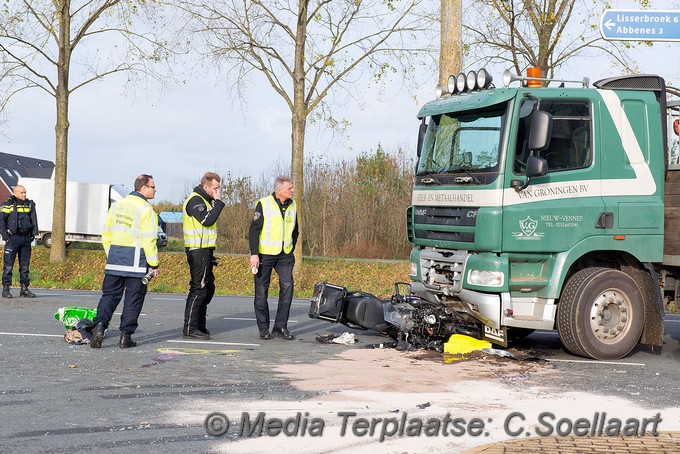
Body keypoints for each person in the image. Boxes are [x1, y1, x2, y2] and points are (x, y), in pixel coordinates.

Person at [90, 175, 160, 349]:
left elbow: (106, 234)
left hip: (114, 260)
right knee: (133, 298)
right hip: (136, 263)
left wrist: (112, 254)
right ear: (143, 188)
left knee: (109, 296)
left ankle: (99, 327)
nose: (155, 189)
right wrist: (154, 264)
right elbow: (149, 239)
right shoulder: (146, 209)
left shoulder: (117, 206)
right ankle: (125, 337)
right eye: (153, 186)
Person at [249, 175, 298, 340]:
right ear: (279, 190)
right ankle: (263, 328)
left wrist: (291, 249)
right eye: (289, 188)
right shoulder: (263, 204)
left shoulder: (293, 205)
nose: (292, 190)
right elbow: (254, 230)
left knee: (288, 287)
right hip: (265, 254)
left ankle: (280, 326)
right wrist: (254, 254)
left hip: (285, 255)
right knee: (262, 291)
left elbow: (295, 230)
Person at [182, 172, 225, 340]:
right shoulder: (195, 200)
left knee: (208, 289)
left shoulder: (206, 201)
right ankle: (190, 328)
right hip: (197, 249)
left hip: (205, 250)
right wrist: (219, 204)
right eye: (215, 188)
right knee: (198, 288)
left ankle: (199, 325)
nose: (217, 192)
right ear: (205, 187)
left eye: (218, 189)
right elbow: (206, 220)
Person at [0, 185, 39, 298]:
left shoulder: (29, 204)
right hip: (13, 238)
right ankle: (6, 289)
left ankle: (24, 289)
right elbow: (1, 221)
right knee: (8, 266)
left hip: (26, 238)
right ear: (16, 193)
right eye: (22, 193)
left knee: (25, 266)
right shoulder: (8, 204)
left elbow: (33, 219)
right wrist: (6, 237)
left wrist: (33, 234)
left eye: (25, 192)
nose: (24, 195)